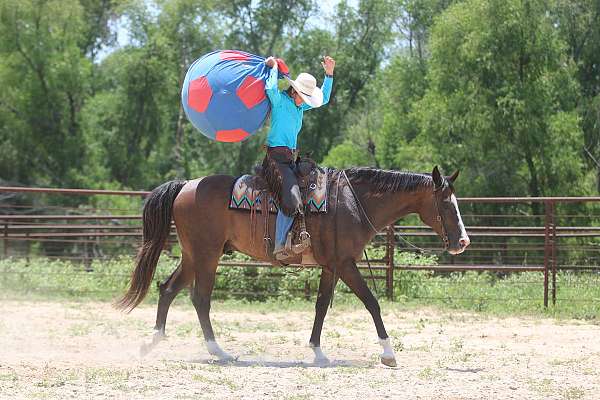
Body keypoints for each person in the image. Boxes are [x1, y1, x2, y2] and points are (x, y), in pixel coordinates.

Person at [263, 55, 335, 260]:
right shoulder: (279, 101)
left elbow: (325, 99)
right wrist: (273, 68)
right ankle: (279, 245)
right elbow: (269, 89)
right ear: (294, 91)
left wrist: (329, 74)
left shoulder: (299, 106)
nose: (305, 102)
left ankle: (301, 236)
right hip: (275, 159)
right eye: (302, 97)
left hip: (289, 159)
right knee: (292, 195)